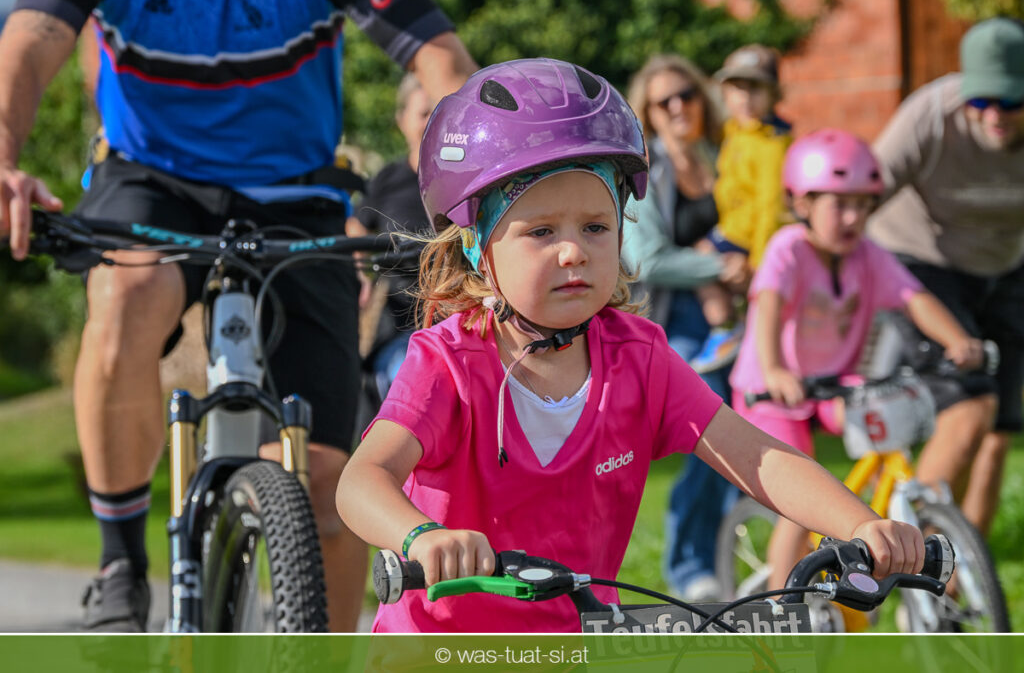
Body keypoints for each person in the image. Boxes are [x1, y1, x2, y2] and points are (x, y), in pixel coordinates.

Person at [336, 58, 926, 633]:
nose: (574, 251)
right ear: (476, 247)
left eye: (596, 226)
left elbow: (757, 457)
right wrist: (421, 536)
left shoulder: (639, 358)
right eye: (541, 231)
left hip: (588, 641)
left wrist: (860, 523)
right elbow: (362, 480)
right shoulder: (448, 363)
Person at [0, 0, 476, 632]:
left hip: (299, 192)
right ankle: (120, 565)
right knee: (126, 295)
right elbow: (31, 38)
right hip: (150, 178)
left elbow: (440, 57)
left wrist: (483, 182)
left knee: (328, 480)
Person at [728, 129, 985, 588]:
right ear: (802, 203)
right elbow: (767, 304)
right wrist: (776, 370)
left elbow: (914, 298)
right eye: (839, 205)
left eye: (863, 206)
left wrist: (958, 340)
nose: (853, 217)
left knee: (884, 428)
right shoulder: (789, 247)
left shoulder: (869, 255)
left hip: (835, 385)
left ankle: (867, 536)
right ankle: (783, 611)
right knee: (798, 496)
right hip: (771, 390)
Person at [868, 17, 1024, 538]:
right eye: (982, 101)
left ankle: (966, 569)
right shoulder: (931, 116)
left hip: (1006, 267)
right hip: (920, 264)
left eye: (1011, 101)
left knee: (999, 428)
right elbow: (860, 198)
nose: (995, 115)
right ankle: (908, 551)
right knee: (970, 404)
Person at [622, 53, 742, 602]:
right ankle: (690, 564)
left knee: (761, 419)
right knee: (711, 418)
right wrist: (715, 269)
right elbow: (644, 258)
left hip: (744, 313)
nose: (677, 107)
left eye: (685, 95)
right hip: (675, 320)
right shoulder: (647, 174)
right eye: (662, 101)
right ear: (646, 113)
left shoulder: (725, 157)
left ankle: (732, 550)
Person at [692, 44, 794, 373]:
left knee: (698, 260)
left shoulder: (772, 143)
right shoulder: (734, 131)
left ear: (774, 94)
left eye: (755, 89)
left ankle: (725, 327)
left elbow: (771, 207)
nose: (745, 98)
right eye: (737, 88)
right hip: (731, 228)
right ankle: (732, 322)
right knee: (698, 257)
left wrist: (759, 264)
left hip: (751, 239)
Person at [352, 73, 434, 402]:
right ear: (402, 121)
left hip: (464, 317)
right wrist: (362, 273)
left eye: (439, 113)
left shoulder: (466, 180)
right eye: (424, 113)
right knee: (409, 376)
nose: (431, 122)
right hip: (402, 323)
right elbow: (356, 225)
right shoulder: (389, 179)